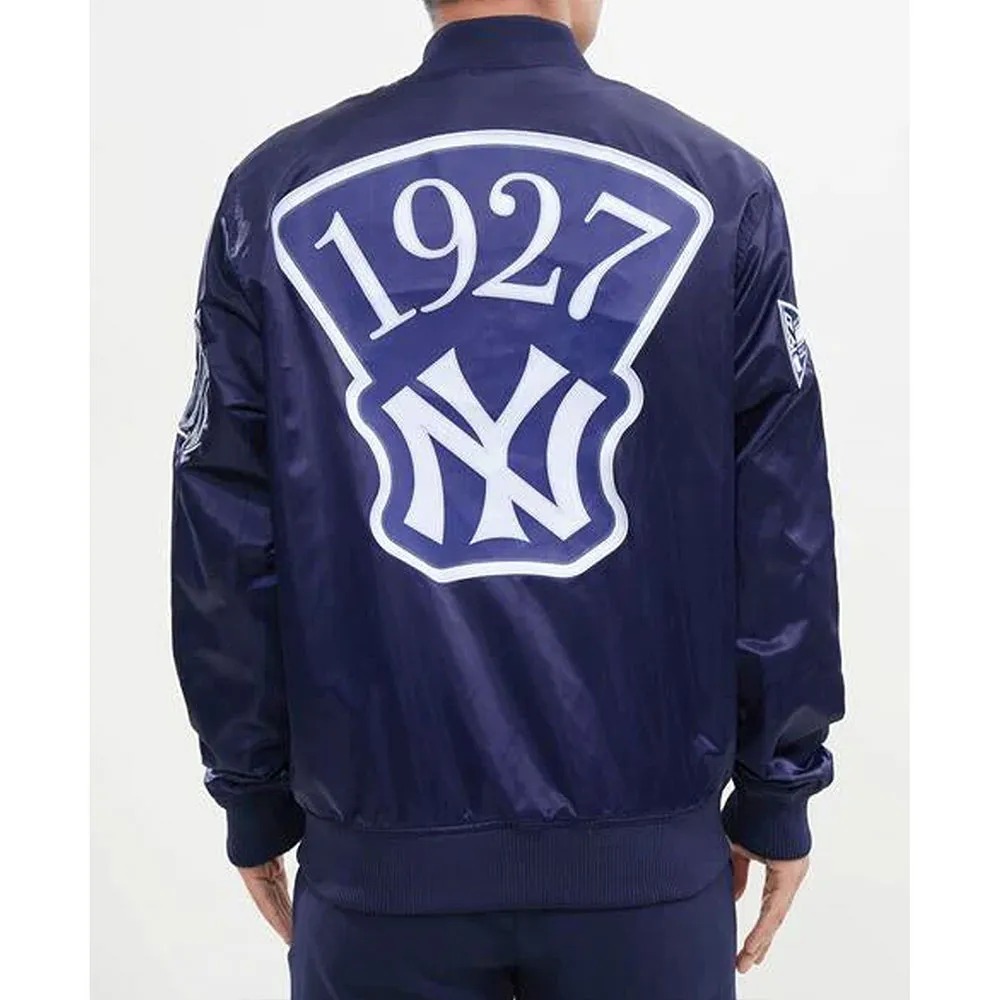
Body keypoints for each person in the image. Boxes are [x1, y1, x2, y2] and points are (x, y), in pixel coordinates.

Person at [171, 1, 845, 997]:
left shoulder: (273, 194)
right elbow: (779, 521)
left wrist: (253, 791)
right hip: (646, 874)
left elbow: (226, 521)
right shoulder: (721, 187)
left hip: (378, 871)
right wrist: (777, 788)